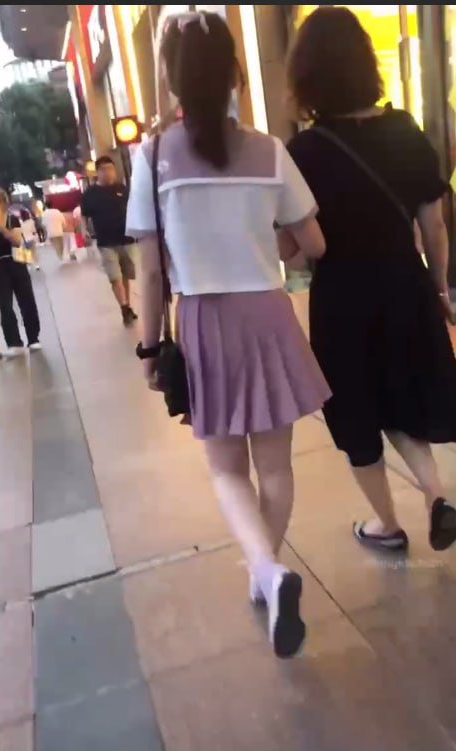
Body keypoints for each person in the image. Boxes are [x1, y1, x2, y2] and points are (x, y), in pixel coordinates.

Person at [126, 11, 331, 658]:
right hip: (267, 313)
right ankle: (266, 571)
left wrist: (148, 346)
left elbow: (149, 270)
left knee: (225, 469)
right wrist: (268, 248)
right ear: (236, 74)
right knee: (274, 466)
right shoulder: (270, 151)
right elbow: (312, 242)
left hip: (203, 320)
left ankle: (267, 571)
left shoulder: (153, 157)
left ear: (171, 79)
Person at [286, 7, 456, 553]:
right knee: (402, 395)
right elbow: (434, 224)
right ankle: (437, 496)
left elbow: (295, 250)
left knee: (357, 410)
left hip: (342, 299)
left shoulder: (304, 151)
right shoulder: (403, 129)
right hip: (406, 286)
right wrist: (440, 288)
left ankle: (387, 524)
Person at [80, 156, 138, 326]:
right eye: (104, 170)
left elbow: (133, 208)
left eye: (111, 169)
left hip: (126, 239)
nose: (108, 173)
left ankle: (127, 306)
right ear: (97, 172)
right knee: (115, 277)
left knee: (125, 275)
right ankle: (124, 307)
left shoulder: (122, 189)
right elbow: (84, 215)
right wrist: (84, 230)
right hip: (106, 242)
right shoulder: (90, 194)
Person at [0, 188, 41, 355]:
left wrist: (0, 227)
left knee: (26, 300)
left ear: (1, 203)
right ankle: (13, 342)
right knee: (5, 305)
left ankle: (33, 338)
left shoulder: (11, 219)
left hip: (16, 262)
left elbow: (16, 241)